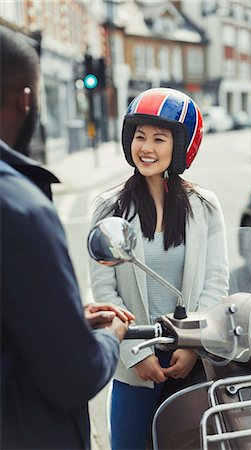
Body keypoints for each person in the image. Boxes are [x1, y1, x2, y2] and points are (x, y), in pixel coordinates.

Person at [0, 25, 135, 450]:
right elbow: (73, 374)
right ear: (26, 99)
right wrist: (107, 337)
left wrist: (64, 317)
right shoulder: (18, 205)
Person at [89, 87, 229, 449]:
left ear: (180, 146)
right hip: (135, 362)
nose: (146, 148)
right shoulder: (109, 208)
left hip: (192, 359)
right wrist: (138, 355)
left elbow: (216, 282)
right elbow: (105, 291)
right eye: (139, 136)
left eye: (158, 138)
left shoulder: (204, 206)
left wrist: (195, 346)